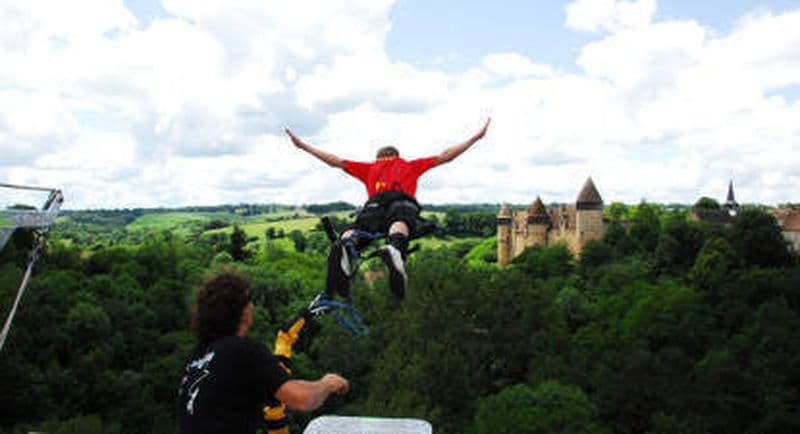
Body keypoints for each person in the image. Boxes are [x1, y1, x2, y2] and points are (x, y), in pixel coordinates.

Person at [285, 118, 491, 299]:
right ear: (396, 156)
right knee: (399, 222)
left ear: (378, 158)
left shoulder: (369, 168)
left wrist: (304, 146)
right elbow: (446, 156)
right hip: (401, 199)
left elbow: (335, 161)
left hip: (374, 204)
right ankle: (395, 248)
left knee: (359, 227)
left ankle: (346, 245)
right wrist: (475, 138)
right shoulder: (409, 165)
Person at [177, 270, 349, 434]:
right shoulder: (242, 350)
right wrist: (327, 383)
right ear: (243, 311)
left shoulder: (195, 359)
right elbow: (302, 399)